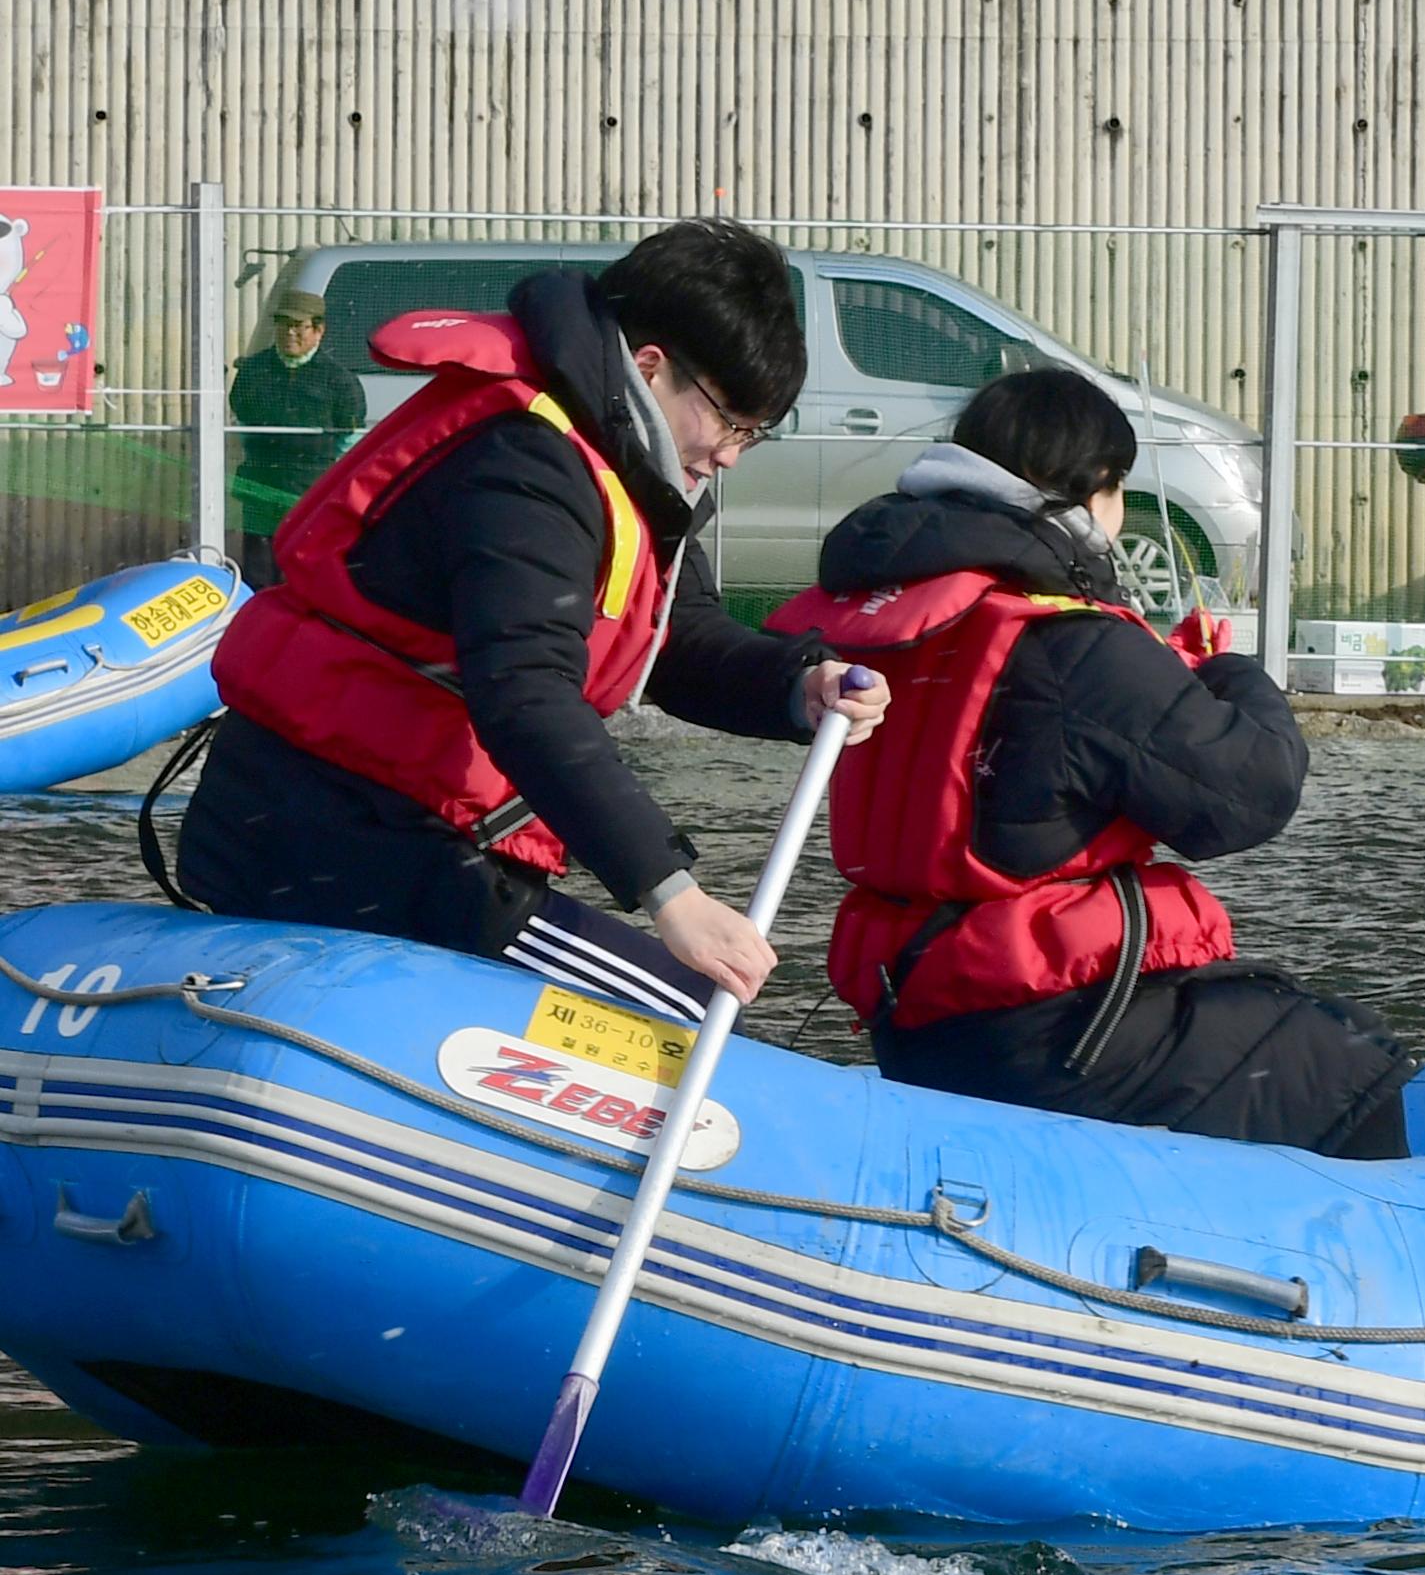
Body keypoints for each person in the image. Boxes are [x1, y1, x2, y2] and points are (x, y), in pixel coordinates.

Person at [176, 222, 890, 1022]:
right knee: (690, 1013)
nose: (730, 455)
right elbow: (525, 694)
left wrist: (800, 686)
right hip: (341, 839)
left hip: (419, 839)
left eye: (754, 436)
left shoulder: (637, 465)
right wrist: (671, 893)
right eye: (731, 423)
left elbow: (676, 639)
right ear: (652, 369)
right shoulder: (524, 462)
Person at [778, 370, 1412, 1157]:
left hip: (916, 1018)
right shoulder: (1080, 646)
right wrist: (1231, 673)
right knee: (1343, 1054)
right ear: (1095, 495)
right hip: (1046, 1037)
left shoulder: (898, 614)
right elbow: (1251, 796)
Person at [225, 284, 370, 586]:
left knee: (305, 571)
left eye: (298, 327)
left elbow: (349, 438)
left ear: (319, 330)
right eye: (283, 325)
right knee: (259, 574)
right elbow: (243, 422)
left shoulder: (339, 381)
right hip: (260, 486)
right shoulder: (254, 371)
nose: (289, 334)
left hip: (310, 491)